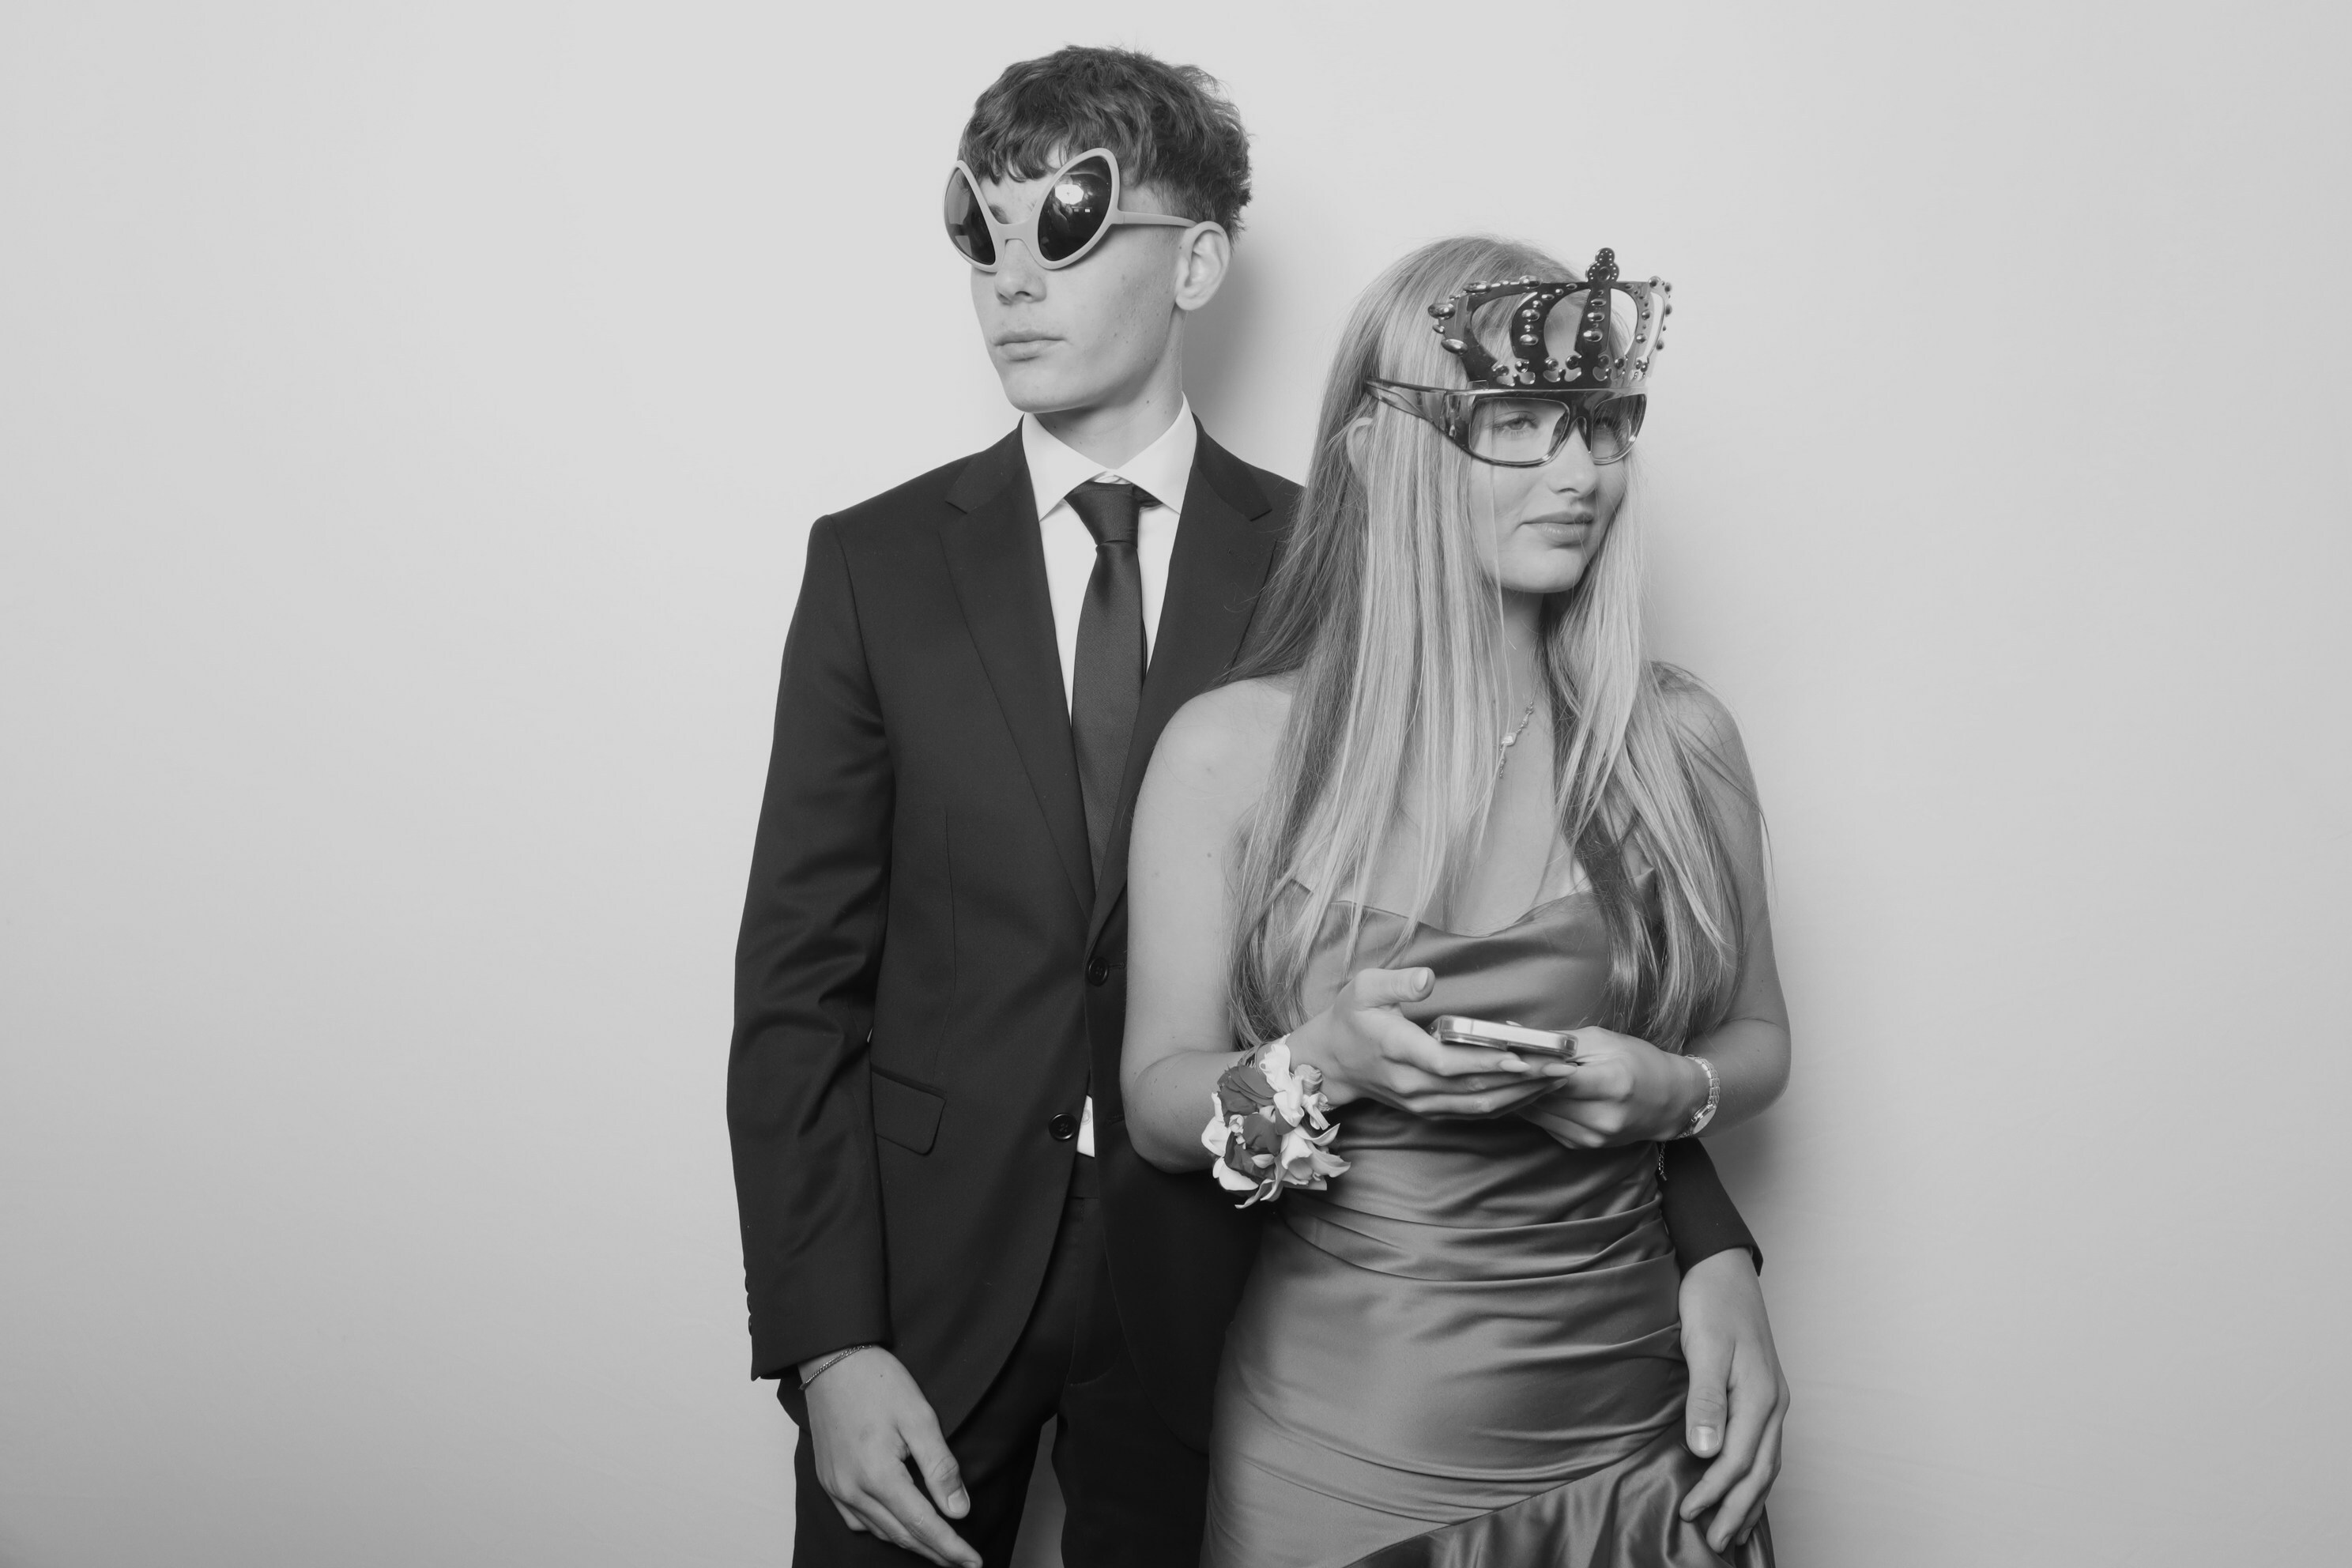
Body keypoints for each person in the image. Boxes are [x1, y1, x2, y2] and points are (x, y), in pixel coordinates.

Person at [728, 49, 1786, 1568]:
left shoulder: (1352, 560)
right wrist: (829, 1343)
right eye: (979, 228)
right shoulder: (873, 567)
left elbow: (1555, 956)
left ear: (1198, 263)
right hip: (931, 1289)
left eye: (1070, 221)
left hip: (1229, 1302)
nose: (1013, 278)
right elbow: (797, 991)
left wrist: (1707, 1242)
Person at [1121, 235, 1792, 1566]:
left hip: (1643, 1436)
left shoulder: (1679, 743)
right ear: (1384, 456)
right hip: (1339, 1451)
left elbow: (1762, 1040)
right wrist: (1318, 1062)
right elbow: (1155, 1109)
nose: (1579, 472)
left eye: (1598, 423)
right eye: (1519, 423)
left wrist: (1678, 1092)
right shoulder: (1232, 752)